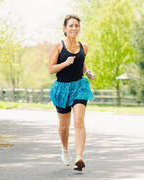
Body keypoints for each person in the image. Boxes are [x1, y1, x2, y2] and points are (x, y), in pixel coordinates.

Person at [49, 14, 95, 171]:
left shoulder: (84, 47)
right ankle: (65, 149)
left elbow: (82, 63)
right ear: (65, 28)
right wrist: (65, 63)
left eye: (76, 25)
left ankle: (79, 157)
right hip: (62, 89)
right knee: (64, 127)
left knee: (79, 122)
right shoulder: (58, 46)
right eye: (71, 26)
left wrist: (88, 72)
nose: (74, 28)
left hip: (79, 87)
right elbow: (51, 69)